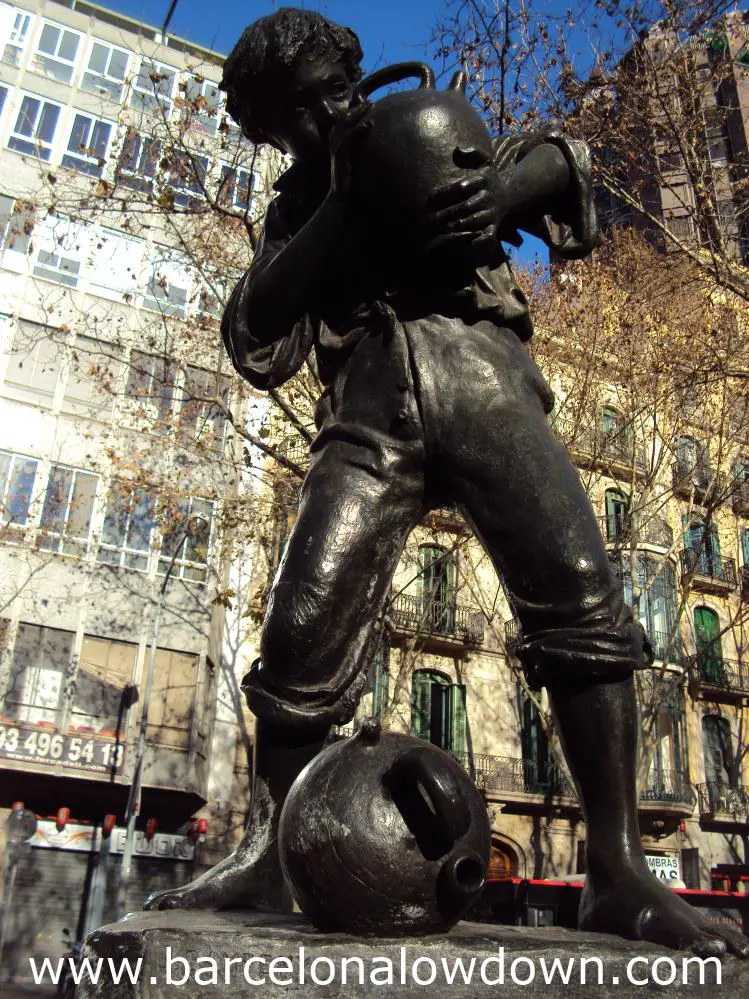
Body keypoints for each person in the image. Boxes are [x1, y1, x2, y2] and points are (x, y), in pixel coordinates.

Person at [146, 8, 748, 957]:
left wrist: (502, 189)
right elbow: (256, 324)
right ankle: (275, 848)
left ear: (353, 77)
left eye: (334, 92)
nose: (328, 117)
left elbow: (563, 158)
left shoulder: (415, 129)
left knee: (581, 603)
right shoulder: (298, 208)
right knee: (298, 635)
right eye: (296, 118)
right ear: (274, 131)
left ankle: (617, 869)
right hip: (368, 411)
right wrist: (339, 202)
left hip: (482, 382)